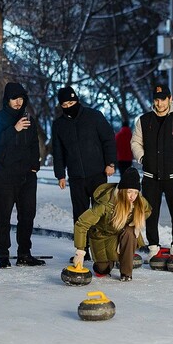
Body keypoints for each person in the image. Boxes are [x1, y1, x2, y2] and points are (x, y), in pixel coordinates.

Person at [130, 85, 173, 257]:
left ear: (169, 98)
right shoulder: (144, 120)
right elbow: (135, 142)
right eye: (156, 99)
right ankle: (153, 247)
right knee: (150, 214)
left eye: (162, 99)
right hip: (150, 177)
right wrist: (143, 158)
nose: (159, 103)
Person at [51, 85, 117, 260]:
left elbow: (108, 139)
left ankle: (103, 249)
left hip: (98, 174)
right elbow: (58, 151)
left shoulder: (94, 116)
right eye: (64, 105)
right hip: (76, 177)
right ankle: (83, 250)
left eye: (71, 102)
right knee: (80, 215)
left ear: (77, 100)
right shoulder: (59, 125)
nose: (68, 107)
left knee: (101, 212)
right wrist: (60, 174)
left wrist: (110, 162)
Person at [0, 81, 45, 269]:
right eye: (14, 99)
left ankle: (24, 253)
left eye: (21, 98)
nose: (18, 102)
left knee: (27, 215)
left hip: (27, 176)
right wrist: (14, 129)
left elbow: (34, 144)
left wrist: (35, 166)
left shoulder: (29, 119)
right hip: (4, 176)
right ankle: (3, 254)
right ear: (7, 100)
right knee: (3, 216)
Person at [73, 167, 151, 281]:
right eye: (129, 192)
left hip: (121, 234)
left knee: (131, 232)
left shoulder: (138, 200)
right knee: (102, 269)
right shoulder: (106, 203)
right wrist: (80, 251)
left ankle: (126, 273)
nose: (132, 196)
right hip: (102, 236)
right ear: (122, 190)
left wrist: (136, 221)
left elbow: (148, 210)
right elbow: (82, 223)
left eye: (135, 192)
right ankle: (112, 260)